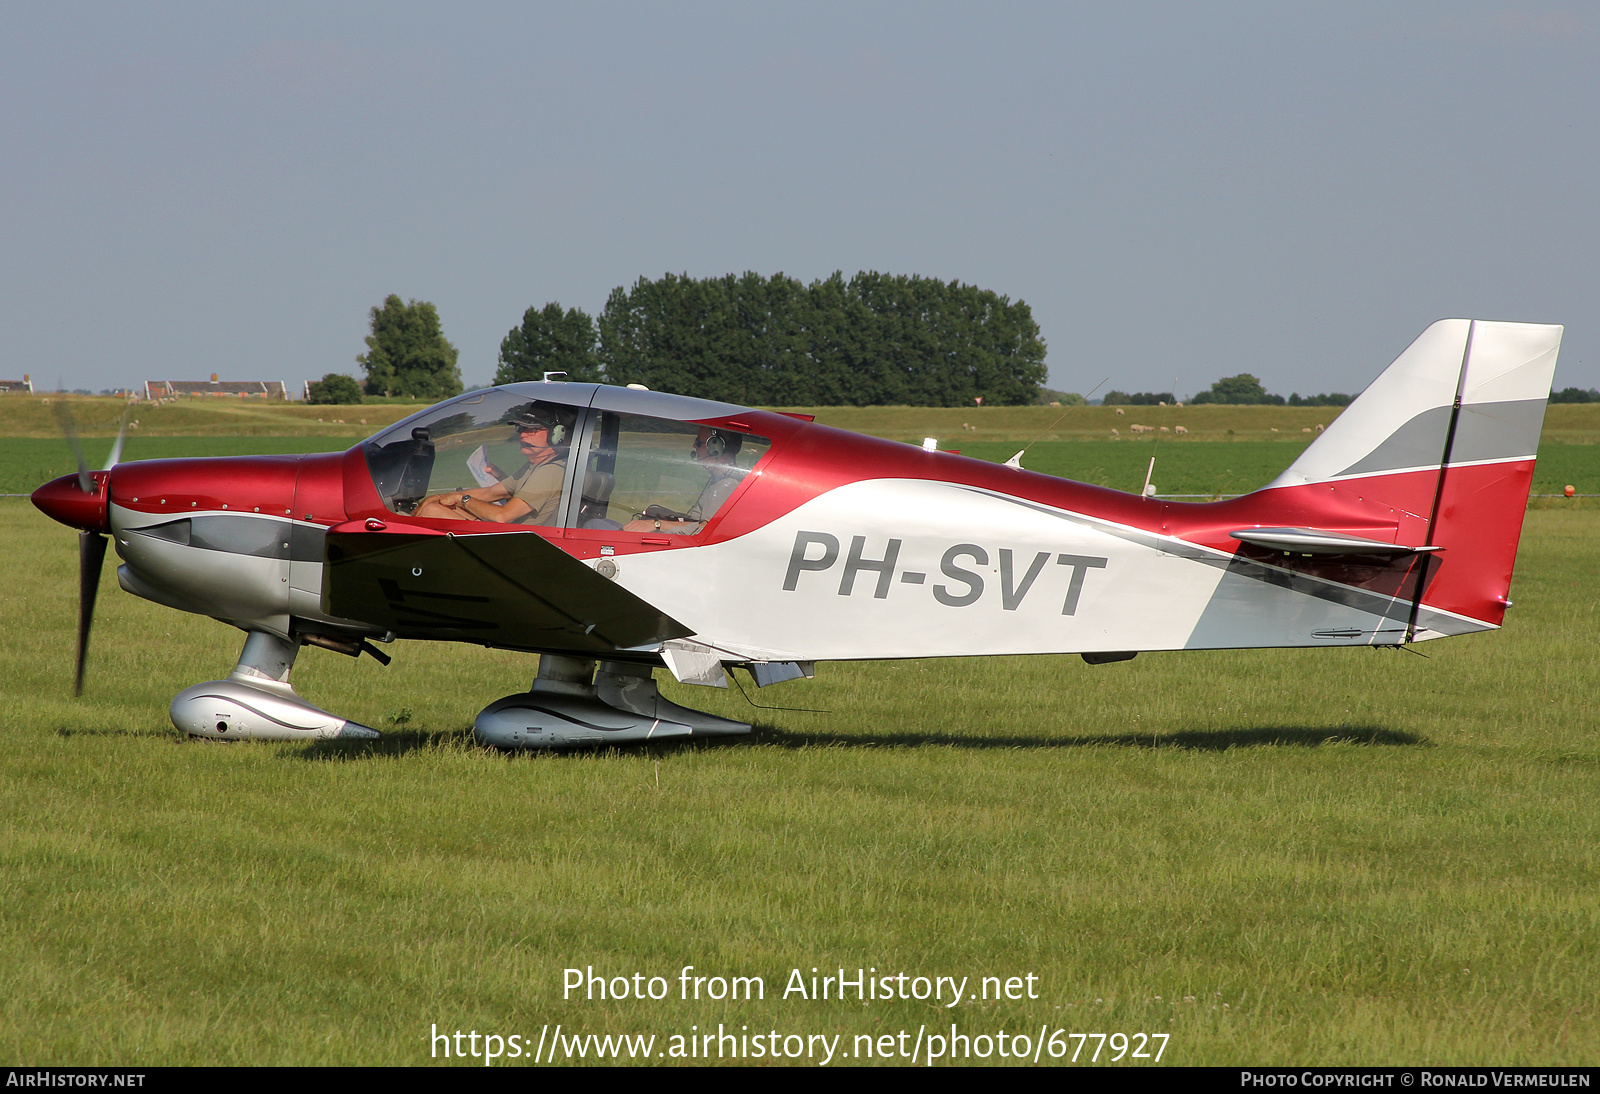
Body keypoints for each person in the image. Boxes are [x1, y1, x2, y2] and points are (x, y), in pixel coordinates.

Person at [414, 409, 569, 524]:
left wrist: (460, 498)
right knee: (435, 506)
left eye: (532, 430)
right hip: (509, 535)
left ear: (555, 436)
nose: (522, 435)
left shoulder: (549, 472)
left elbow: (502, 516)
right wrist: (440, 497)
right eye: (521, 429)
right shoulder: (535, 466)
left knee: (432, 511)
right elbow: (490, 493)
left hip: (513, 544)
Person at [623, 427, 747, 534]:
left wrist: (655, 524)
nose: (694, 446)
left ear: (715, 447)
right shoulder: (721, 479)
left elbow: (704, 530)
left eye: (698, 443)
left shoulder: (726, 485)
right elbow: (696, 522)